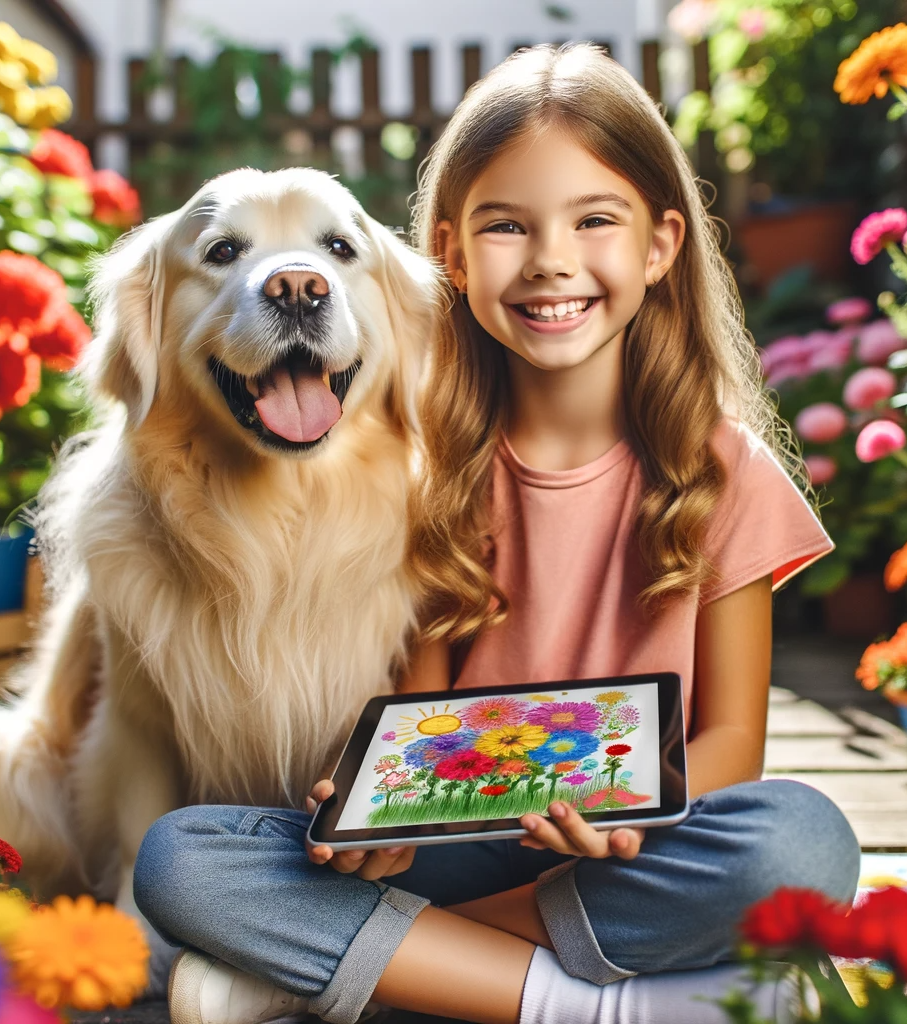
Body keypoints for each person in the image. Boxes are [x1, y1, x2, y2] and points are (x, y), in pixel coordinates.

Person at [135, 42, 860, 1024]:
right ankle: (595, 1003)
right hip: (454, 843)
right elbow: (417, 717)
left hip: (634, 847)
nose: (552, 259)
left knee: (800, 841)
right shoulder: (423, 463)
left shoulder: (724, 468)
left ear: (658, 246)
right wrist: (371, 815)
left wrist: (628, 819)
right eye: (507, 226)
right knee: (181, 856)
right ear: (448, 251)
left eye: (594, 220)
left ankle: (374, 968)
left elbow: (731, 738)